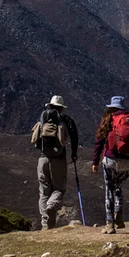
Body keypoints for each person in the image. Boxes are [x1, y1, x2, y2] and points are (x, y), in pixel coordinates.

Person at [91, 96, 129, 234]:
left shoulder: (108, 120)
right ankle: (118, 214)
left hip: (111, 160)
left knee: (109, 188)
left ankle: (109, 224)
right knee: (118, 186)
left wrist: (95, 161)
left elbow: (99, 142)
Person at [30, 95, 79, 230]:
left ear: (50, 105)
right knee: (58, 188)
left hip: (42, 158)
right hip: (58, 159)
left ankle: (46, 225)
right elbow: (74, 136)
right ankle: (52, 206)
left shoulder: (42, 119)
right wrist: (74, 154)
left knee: (44, 192)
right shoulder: (65, 119)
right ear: (61, 108)